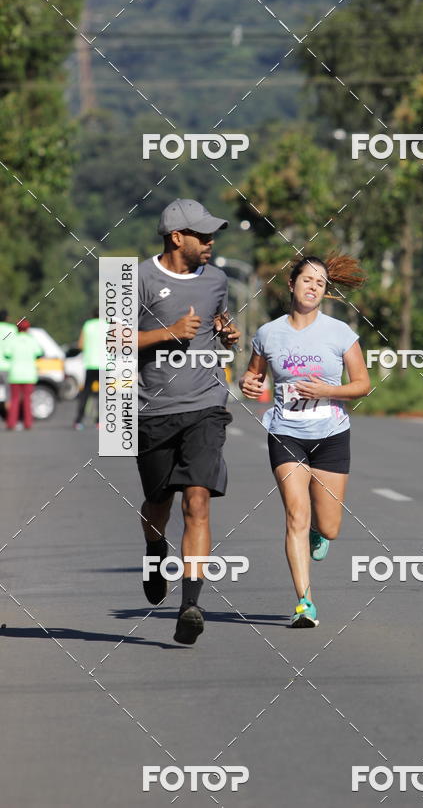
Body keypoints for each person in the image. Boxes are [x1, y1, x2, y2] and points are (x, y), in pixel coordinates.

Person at [240, 255, 370, 628]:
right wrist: (247, 385)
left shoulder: (340, 333)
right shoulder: (268, 333)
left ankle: (319, 533)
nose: (314, 287)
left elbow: (362, 384)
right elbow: (253, 376)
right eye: (307, 280)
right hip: (285, 432)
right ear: (291, 284)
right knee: (295, 514)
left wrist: (328, 389)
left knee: (328, 527)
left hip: (330, 434)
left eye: (321, 283)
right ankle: (304, 602)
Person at [137, 198, 240, 645]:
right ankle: (155, 552)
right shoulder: (137, 277)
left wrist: (227, 331)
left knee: (197, 500)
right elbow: (111, 338)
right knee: (157, 505)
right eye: (202, 235)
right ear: (177, 238)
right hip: (153, 409)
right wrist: (167, 333)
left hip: (206, 403)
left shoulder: (217, 279)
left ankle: (191, 604)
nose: (210, 240)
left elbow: (216, 322)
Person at [3, 319, 43, 430]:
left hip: (15, 374)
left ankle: (11, 423)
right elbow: (39, 353)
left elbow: (7, 354)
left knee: (14, 400)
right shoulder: (32, 340)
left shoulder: (13, 340)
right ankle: (28, 423)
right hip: (29, 375)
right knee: (27, 400)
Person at [73, 308, 105, 429]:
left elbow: (80, 344)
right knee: (102, 394)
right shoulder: (108, 326)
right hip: (104, 364)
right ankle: (99, 421)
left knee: (85, 393)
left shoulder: (87, 325)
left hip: (90, 363)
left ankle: (79, 420)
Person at [0, 309, 18, 417]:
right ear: (7, 318)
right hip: (7, 366)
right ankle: (9, 418)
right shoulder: (12, 329)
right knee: (9, 395)